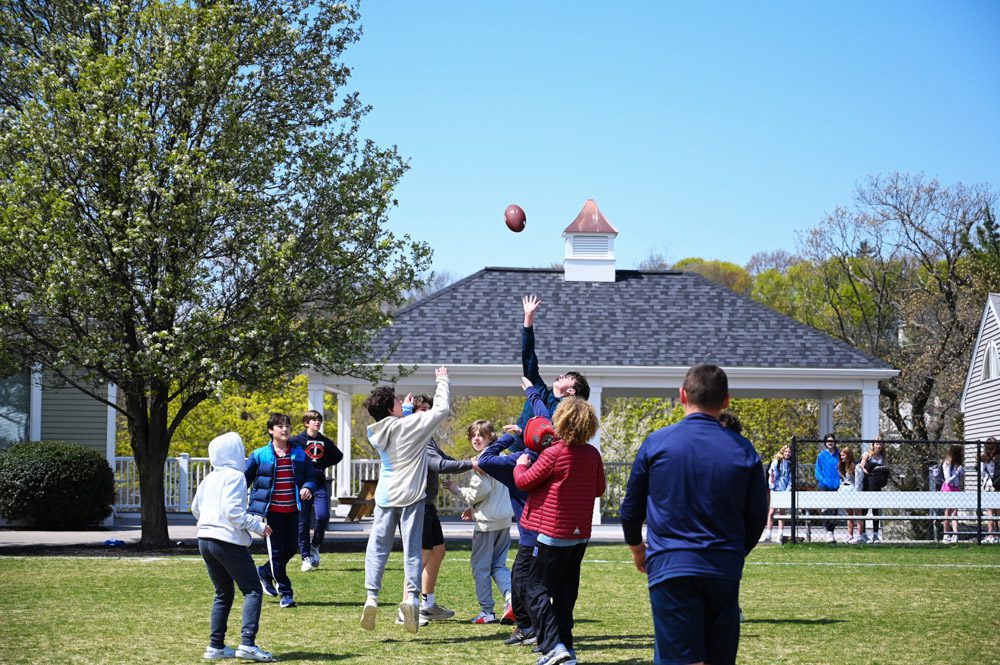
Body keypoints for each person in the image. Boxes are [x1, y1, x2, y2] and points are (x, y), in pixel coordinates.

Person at [620, 364, 768, 665]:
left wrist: (637, 549)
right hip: (722, 566)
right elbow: (756, 516)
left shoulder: (657, 443)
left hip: (671, 564)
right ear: (726, 401)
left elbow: (631, 509)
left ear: (682, 396)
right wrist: (734, 551)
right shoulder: (744, 450)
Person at [514, 397, 606, 665]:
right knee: (565, 593)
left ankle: (554, 647)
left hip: (553, 534)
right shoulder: (592, 454)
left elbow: (524, 482)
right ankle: (567, 648)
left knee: (536, 589)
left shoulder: (553, 454)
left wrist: (521, 463)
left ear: (561, 421)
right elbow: (599, 489)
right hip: (580, 535)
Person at [360, 367, 451, 634]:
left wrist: (407, 410)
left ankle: (371, 597)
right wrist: (442, 381)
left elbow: (399, 427)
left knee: (377, 548)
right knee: (412, 550)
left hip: (386, 495)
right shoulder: (411, 426)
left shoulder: (377, 430)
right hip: (411, 495)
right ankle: (411, 598)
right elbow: (441, 409)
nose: (403, 402)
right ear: (391, 408)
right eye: (398, 401)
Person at [474, 377, 548, 646]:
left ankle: (529, 629)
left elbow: (484, 459)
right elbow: (544, 417)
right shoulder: (553, 454)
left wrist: (508, 437)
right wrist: (532, 393)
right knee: (544, 584)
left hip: (531, 535)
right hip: (553, 532)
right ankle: (541, 629)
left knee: (521, 584)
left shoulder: (518, 462)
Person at [192, 432, 276, 663]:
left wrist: (211, 522)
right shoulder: (236, 477)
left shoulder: (209, 478)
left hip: (204, 539)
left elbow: (195, 508)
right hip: (226, 541)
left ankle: (216, 646)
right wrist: (257, 526)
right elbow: (233, 512)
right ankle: (247, 644)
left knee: (223, 592)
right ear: (233, 452)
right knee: (253, 590)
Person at [401, 393, 474, 624]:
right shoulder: (416, 436)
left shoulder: (427, 436)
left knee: (437, 551)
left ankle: (427, 605)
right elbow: (438, 464)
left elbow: (444, 457)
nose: (427, 414)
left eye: (429, 410)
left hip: (427, 503)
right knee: (420, 555)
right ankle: (406, 609)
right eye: (422, 410)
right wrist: (471, 464)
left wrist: (471, 462)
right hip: (416, 503)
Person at [245, 413, 316, 609]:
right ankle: (286, 593)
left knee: (291, 549)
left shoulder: (300, 454)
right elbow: (244, 481)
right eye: (280, 426)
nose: (285, 429)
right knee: (276, 553)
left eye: (287, 426)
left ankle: (265, 572)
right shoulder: (259, 455)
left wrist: (307, 487)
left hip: (293, 510)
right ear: (271, 430)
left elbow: (310, 476)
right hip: (271, 513)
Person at [448, 420, 514, 624]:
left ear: (490, 437)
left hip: (486, 524)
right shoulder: (503, 457)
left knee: (481, 568)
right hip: (504, 519)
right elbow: (495, 491)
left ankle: (487, 611)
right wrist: (474, 508)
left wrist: (456, 490)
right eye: (473, 435)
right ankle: (512, 599)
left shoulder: (482, 460)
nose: (476, 439)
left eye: (481, 435)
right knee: (499, 565)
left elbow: (479, 491)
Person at [508, 295, 590, 453]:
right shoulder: (538, 389)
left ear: (571, 391)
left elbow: (552, 439)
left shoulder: (567, 414)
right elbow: (528, 356)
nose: (561, 375)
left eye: (568, 377)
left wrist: (523, 432)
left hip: (544, 460)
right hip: (517, 453)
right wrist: (528, 318)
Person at [289, 409, 343, 573]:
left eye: (319, 420)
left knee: (323, 516)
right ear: (306, 423)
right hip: (302, 486)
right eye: (314, 420)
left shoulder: (325, 441)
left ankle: (315, 545)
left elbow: (338, 456)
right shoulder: (296, 441)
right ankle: (305, 556)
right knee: (303, 521)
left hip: (319, 484)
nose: (317, 422)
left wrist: (321, 465)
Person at [859, 440, 889, 544]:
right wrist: (869, 473)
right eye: (876, 444)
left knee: (876, 510)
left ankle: (875, 535)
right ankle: (863, 534)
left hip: (877, 486)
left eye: (880, 444)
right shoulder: (868, 455)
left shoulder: (882, 457)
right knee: (864, 510)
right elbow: (861, 466)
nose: (878, 446)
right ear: (873, 445)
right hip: (868, 484)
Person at [815, 434, 840, 543]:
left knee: (834, 510)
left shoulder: (839, 455)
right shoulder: (821, 456)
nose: (830, 443)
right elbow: (817, 471)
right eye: (828, 441)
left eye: (832, 441)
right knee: (824, 510)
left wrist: (839, 482)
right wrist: (823, 481)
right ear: (825, 443)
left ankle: (831, 531)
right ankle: (827, 531)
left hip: (836, 487)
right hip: (824, 486)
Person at [763, 445, 792, 543]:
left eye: (789, 452)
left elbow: (790, 479)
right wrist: (772, 487)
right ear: (782, 452)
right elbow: (772, 475)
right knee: (772, 512)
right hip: (775, 490)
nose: (787, 453)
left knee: (782, 513)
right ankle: (768, 534)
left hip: (784, 491)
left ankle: (780, 534)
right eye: (786, 451)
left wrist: (787, 490)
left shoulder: (790, 464)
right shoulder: (776, 462)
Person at [838, 447, 864, 544]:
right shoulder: (842, 467)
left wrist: (857, 495)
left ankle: (860, 535)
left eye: (843, 455)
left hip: (854, 492)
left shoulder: (856, 467)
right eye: (840, 456)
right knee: (849, 514)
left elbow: (858, 482)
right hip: (846, 492)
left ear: (848, 455)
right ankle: (850, 535)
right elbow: (842, 481)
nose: (841, 457)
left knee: (858, 514)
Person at [941, 444, 965, 543]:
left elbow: (961, 477)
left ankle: (956, 534)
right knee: (947, 512)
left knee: (955, 513)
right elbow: (948, 480)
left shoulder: (957, 464)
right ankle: (946, 535)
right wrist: (956, 473)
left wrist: (961, 471)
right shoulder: (947, 463)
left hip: (956, 488)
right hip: (948, 488)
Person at [981, 438, 998, 544]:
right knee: (999, 513)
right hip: (998, 485)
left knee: (990, 513)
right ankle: (998, 535)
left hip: (988, 485)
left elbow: (982, 472)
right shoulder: (998, 458)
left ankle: (991, 535)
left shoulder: (984, 458)